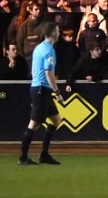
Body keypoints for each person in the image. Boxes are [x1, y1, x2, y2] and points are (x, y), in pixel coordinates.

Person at [20, 22, 70, 166]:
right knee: (34, 124)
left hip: (39, 88)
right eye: (58, 31)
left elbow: (37, 69)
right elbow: (49, 73)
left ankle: (44, 154)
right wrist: (58, 92)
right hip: (42, 89)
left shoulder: (39, 48)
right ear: (53, 33)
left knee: (56, 120)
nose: (59, 33)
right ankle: (23, 156)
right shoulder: (49, 50)